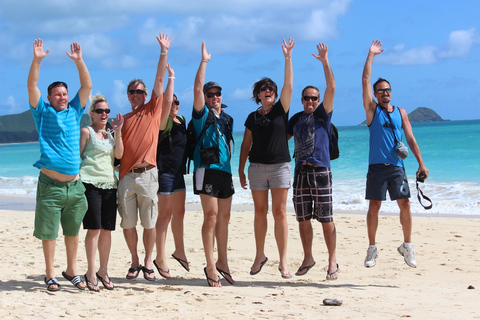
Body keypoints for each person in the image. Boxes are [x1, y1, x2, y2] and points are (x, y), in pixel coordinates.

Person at [27, 39, 92, 291]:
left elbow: (86, 85)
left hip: (75, 187)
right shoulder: (42, 112)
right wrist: (37, 60)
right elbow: (32, 84)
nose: (63, 97)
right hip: (50, 186)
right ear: (49, 97)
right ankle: (50, 274)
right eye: (58, 94)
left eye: (65, 93)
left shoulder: (74, 110)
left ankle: (71, 270)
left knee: (73, 232)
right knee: (49, 232)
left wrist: (79, 61)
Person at [361, 40, 429, 268]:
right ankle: (372, 248)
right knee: (374, 206)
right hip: (377, 167)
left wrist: (421, 164)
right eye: (380, 91)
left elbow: (410, 138)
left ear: (391, 92)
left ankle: (407, 246)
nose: (385, 93)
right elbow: (364, 80)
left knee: (405, 205)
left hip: (398, 167)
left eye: (387, 90)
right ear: (375, 94)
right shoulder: (372, 111)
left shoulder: (401, 112)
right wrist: (371, 55)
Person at [118, 33, 174, 282]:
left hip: (149, 175)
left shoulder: (153, 110)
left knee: (149, 223)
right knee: (128, 224)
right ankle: (134, 261)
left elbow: (160, 79)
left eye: (140, 91)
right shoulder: (122, 120)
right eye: (132, 92)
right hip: (125, 177)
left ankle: (149, 261)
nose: (136, 95)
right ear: (128, 95)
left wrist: (163, 52)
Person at [239, 38, 295, 279]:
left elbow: (289, 86)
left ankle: (283, 261)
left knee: (280, 212)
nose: (268, 91)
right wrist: (240, 170)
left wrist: (287, 58)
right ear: (258, 95)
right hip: (257, 168)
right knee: (260, 211)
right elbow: (245, 144)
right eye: (264, 89)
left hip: (280, 167)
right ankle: (260, 254)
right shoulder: (252, 117)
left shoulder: (281, 110)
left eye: (271, 89)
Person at [287, 43, 338, 280]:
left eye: (314, 98)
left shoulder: (322, 115)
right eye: (307, 98)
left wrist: (325, 61)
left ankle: (332, 261)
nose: (310, 101)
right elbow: (279, 139)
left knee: (326, 219)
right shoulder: (296, 119)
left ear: (318, 101)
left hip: (320, 172)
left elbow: (332, 86)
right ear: (301, 100)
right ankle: (308, 257)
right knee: (303, 219)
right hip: (300, 174)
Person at [192, 41, 235, 287]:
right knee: (211, 216)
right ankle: (210, 265)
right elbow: (197, 88)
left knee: (224, 218)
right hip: (204, 170)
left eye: (217, 93)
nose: (214, 97)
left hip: (224, 172)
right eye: (210, 94)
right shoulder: (201, 115)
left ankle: (223, 262)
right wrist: (204, 62)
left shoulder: (227, 119)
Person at [79, 94, 124, 291]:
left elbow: (119, 156)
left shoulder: (112, 135)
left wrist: (119, 133)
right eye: (100, 111)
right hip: (90, 184)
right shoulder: (86, 132)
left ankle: (103, 270)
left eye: (107, 110)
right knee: (94, 229)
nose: (104, 114)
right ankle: (90, 271)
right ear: (92, 113)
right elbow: (77, 157)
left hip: (110, 185)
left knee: (107, 230)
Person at [154, 93, 190, 278]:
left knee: (180, 213)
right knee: (165, 215)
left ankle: (179, 251)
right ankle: (160, 258)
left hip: (178, 174)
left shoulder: (181, 120)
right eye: (170, 102)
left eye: (177, 102)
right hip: (165, 173)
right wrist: (170, 78)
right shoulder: (163, 121)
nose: (174, 105)